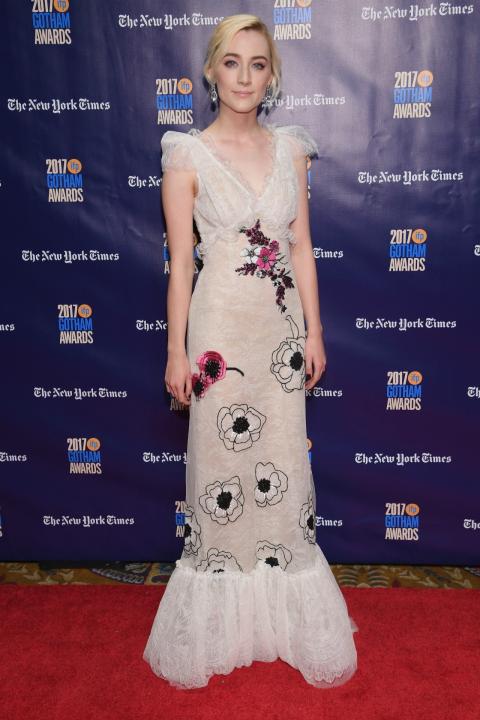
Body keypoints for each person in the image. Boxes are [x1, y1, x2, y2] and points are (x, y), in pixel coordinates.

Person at [143, 13, 358, 689]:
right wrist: (176, 351)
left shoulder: (291, 149)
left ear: (272, 76)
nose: (244, 76)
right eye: (232, 63)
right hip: (217, 338)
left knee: (282, 466)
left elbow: (301, 247)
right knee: (220, 474)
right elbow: (181, 265)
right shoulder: (186, 156)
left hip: (279, 337)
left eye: (257, 64)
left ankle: (280, 621)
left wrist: (314, 332)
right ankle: (222, 625)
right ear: (211, 72)